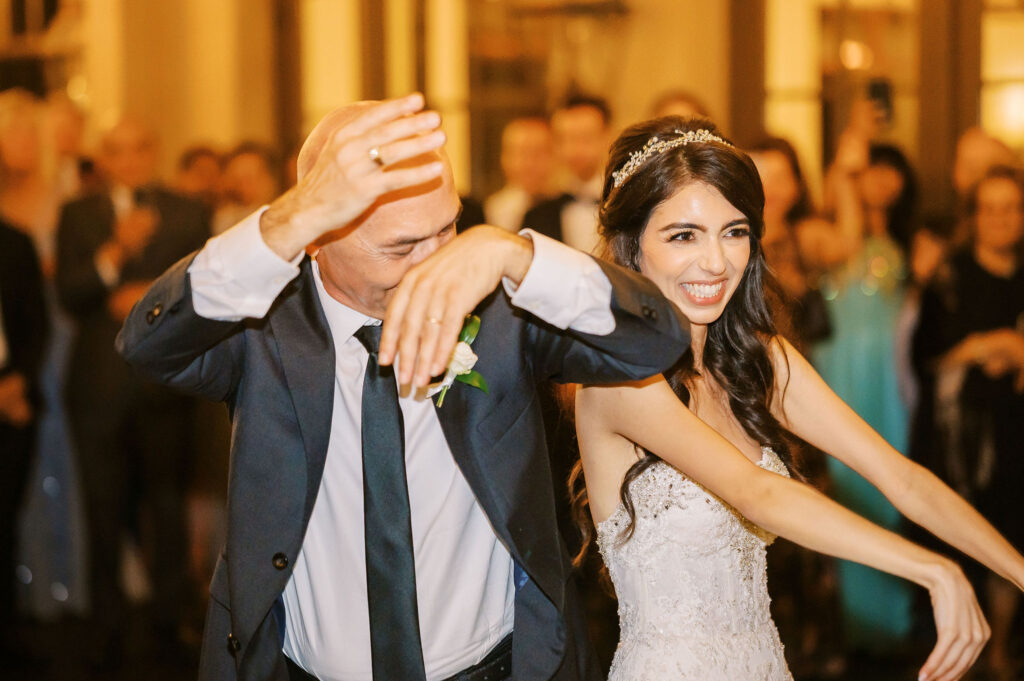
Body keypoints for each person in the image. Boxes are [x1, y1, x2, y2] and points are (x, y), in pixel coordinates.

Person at [115, 93, 692, 681]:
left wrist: (514, 253)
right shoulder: (259, 326)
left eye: (448, 227)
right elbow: (149, 344)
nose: (434, 262)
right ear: (317, 238)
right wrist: (287, 219)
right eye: (401, 247)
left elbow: (657, 340)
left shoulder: (500, 309)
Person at [571, 116, 1024, 681]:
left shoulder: (760, 360)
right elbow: (757, 493)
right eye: (683, 235)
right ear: (632, 246)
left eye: (733, 231)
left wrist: (1018, 568)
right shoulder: (618, 381)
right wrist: (933, 569)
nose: (715, 261)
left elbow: (900, 477)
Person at [55, 116, 211, 668]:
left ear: (154, 150)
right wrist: (114, 254)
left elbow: (206, 287)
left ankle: (171, 621)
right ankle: (107, 624)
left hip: (164, 383)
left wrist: (151, 297)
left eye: (140, 147)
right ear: (104, 157)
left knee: (167, 505)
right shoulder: (79, 213)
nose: (130, 159)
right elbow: (70, 293)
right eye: (117, 150)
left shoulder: (187, 210)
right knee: (102, 508)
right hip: (98, 387)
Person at [911, 165, 1024, 681]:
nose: (1000, 219)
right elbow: (925, 357)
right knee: (959, 533)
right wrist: (982, 347)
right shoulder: (949, 278)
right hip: (958, 436)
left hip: (1015, 429)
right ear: (973, 216)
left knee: (1013, 528)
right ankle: (959, 647)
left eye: (1011, 208)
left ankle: (1001, 649)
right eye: (990, 209)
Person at [0, 215, 49, 661]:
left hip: (14, 401)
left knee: (6, 519)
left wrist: (18, 383)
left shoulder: (16, 241)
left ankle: (8, 629)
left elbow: (38, 323)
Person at [523, 94, 612, 254]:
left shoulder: (629, 209)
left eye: (585, 138)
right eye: (564, 139)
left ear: (607, 137)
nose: (574, 150)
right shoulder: (537, 214)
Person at [484, 116, 554, 232]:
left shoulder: (566, 208)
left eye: (538, 153)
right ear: (504, 158)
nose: (529, 163)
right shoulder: (489, 211)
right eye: (521, 153)